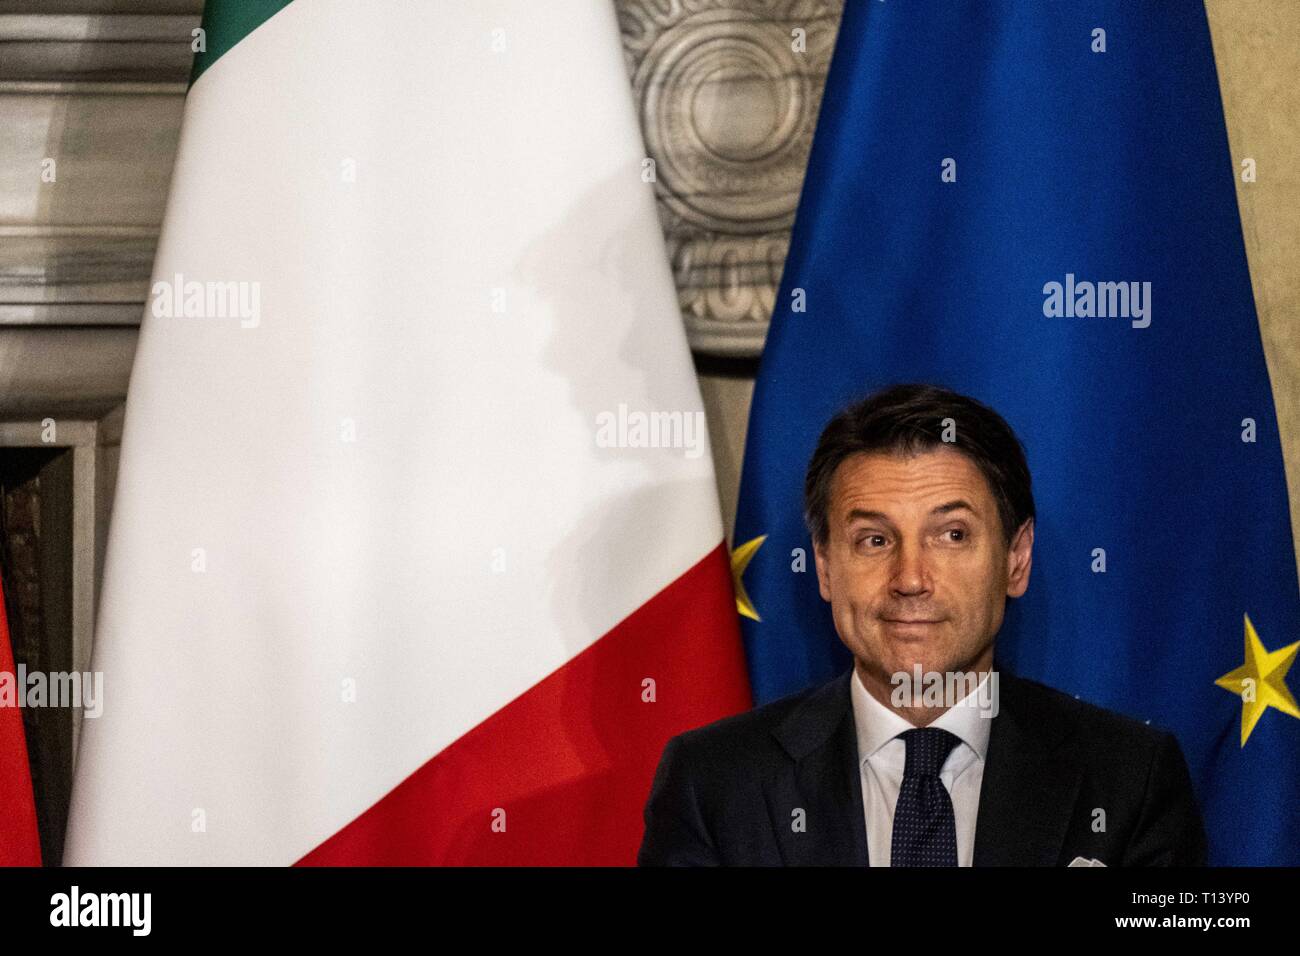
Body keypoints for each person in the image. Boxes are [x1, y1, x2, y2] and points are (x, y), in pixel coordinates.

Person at [638, 383, 1207, 866]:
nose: (910, 578)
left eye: (952, 535)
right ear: (826, 568)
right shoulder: (713, 783)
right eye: (875, 540)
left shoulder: (1130, 778)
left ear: (1016, 558)